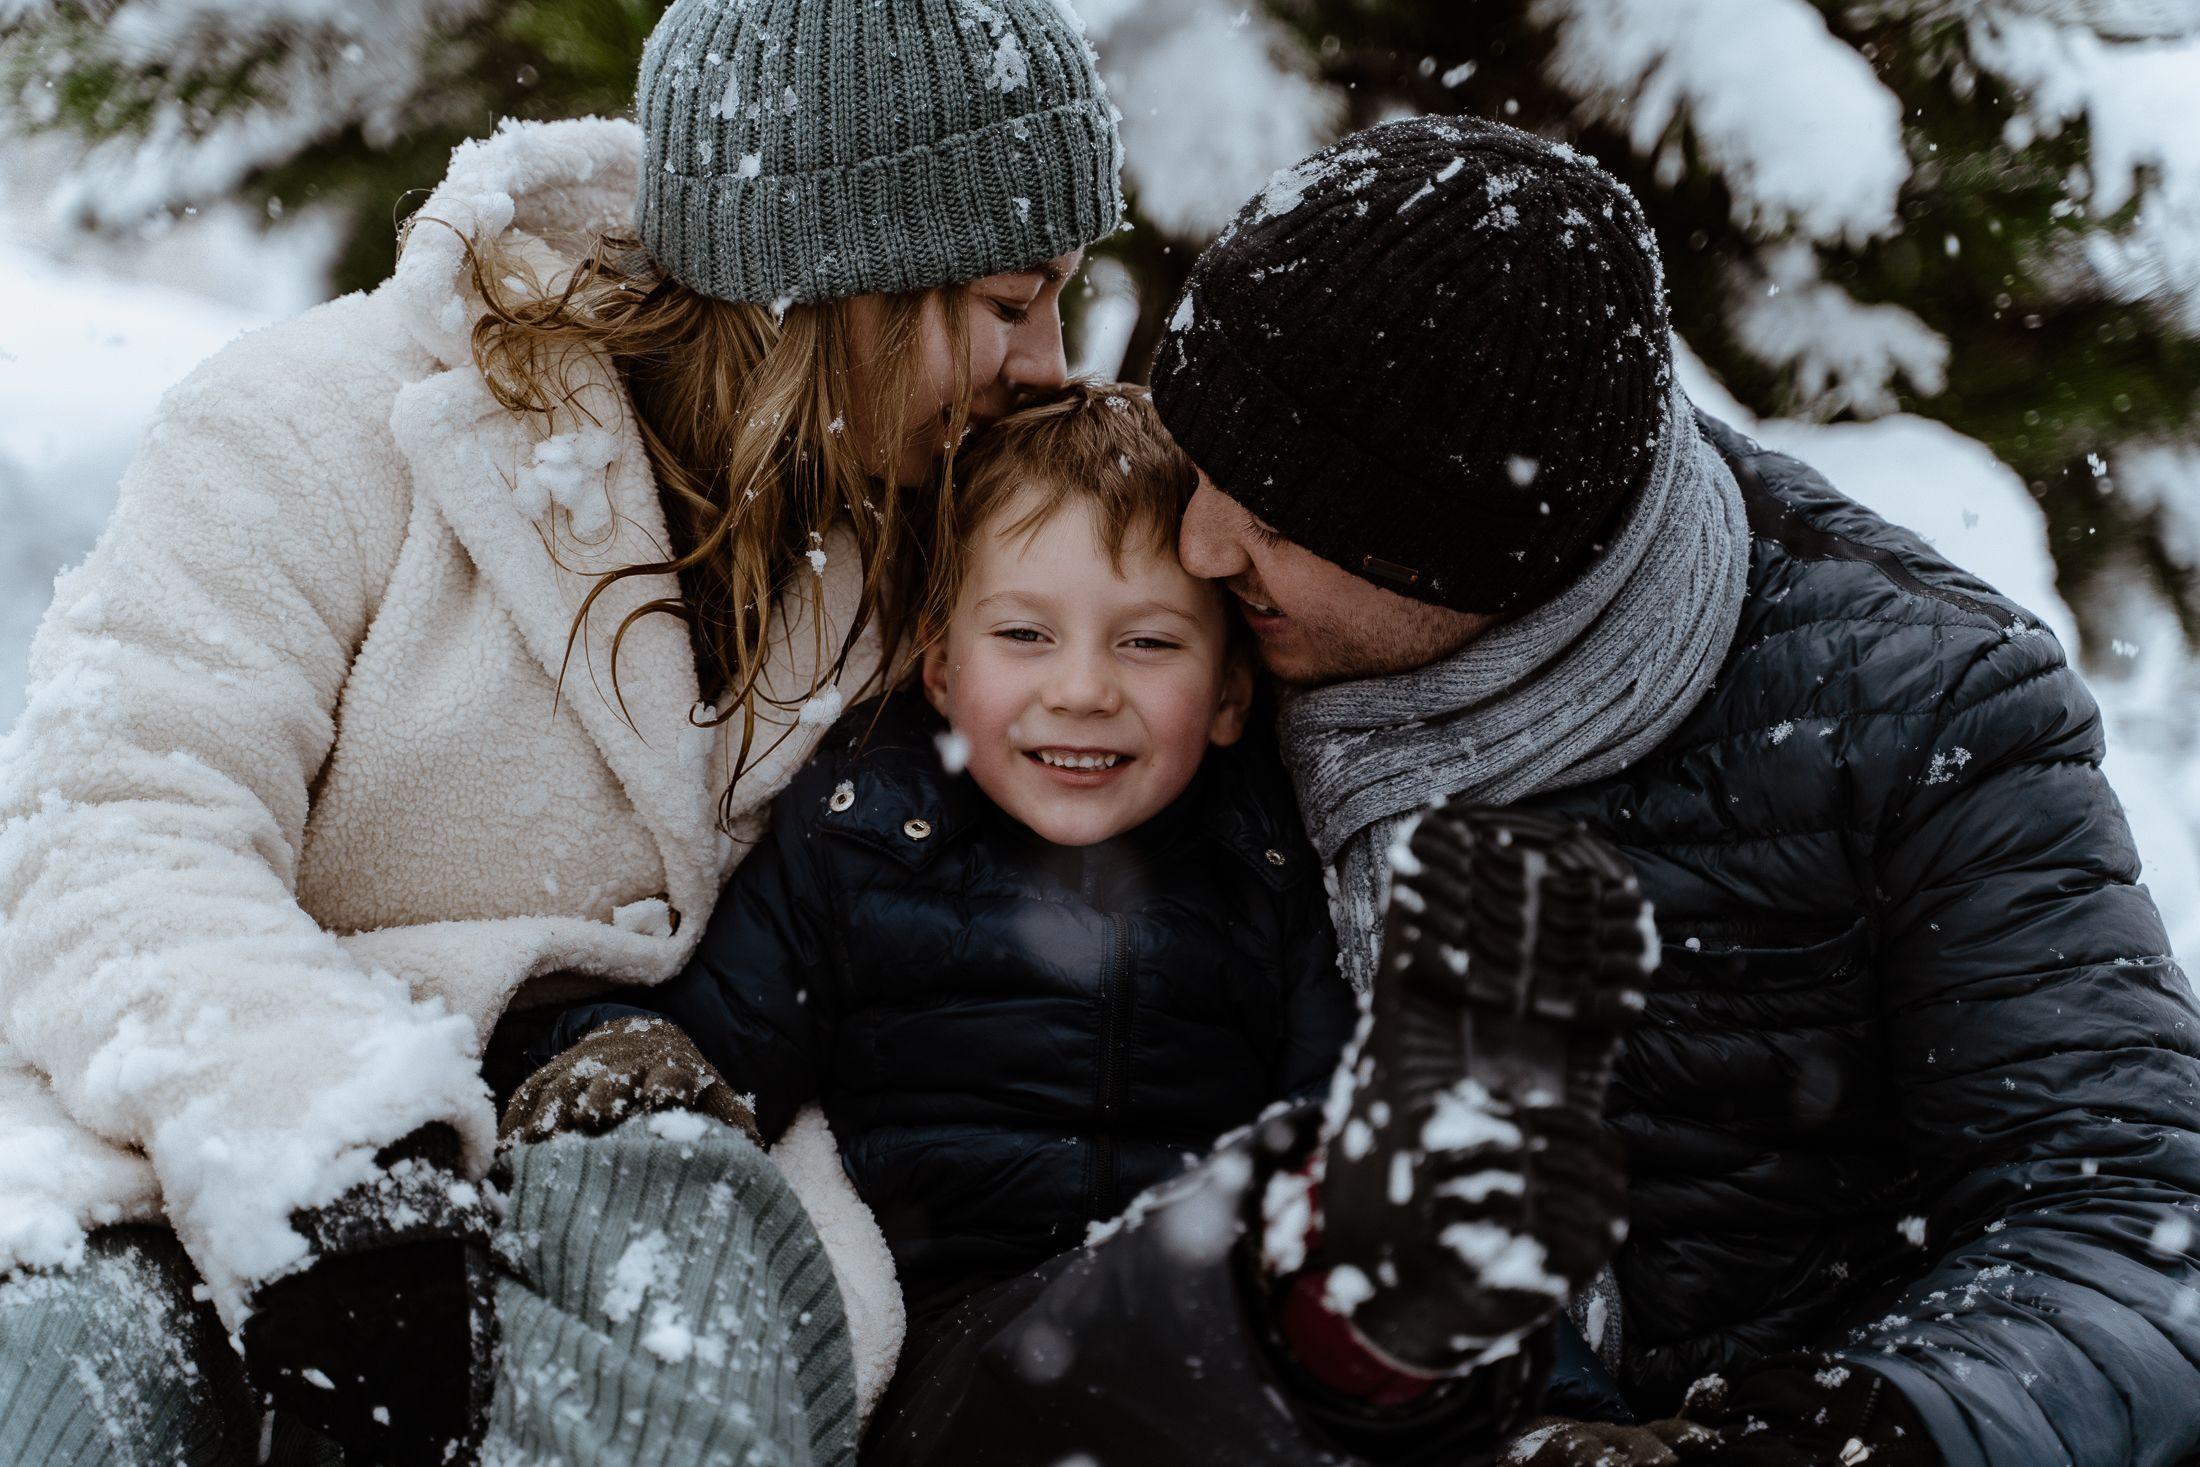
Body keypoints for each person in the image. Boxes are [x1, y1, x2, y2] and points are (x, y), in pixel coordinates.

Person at [0, 1, 1123, 1463]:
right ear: (836, 283)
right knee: (61, 1396)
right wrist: (337, 1165)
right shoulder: (322, 424)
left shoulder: (962, 542)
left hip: (646, 1161)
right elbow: (109, 824)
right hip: (198, 1119)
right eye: (1008, 303)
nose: (1050, 363)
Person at [1149, 115, 2200, 1466]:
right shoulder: (1148, 635)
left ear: (1466, 557)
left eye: (1279, 514)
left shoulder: (1914, 705)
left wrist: (1875, 1423)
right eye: (1202, 463)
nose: (1197, 539)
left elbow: (2130, 1205)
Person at [505, 380, 1654, 1467]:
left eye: (1147, 643)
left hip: (1221, 1322)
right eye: (1025, 636)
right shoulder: (860, 829)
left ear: (1232, 694)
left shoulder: (1259, 861)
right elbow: (713, 1048)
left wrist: (1551, 1395)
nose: (1084, 689)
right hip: (965, 1350)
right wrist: (609, 1053)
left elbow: (1355, 1148)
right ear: (940, 668)